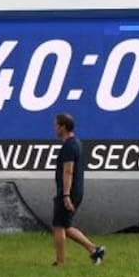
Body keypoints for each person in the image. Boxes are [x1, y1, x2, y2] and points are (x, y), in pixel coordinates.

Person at [51, 112, 105, 266]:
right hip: (75, 190)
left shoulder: (69, 146)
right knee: (65, 226)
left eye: (56, 125)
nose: (54, 128)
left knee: (58, 226)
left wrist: (66, 195)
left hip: (69, 191)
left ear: (63, 127)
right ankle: (94, 250)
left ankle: (60, 263)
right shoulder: (76, 142)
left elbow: (68, 171)